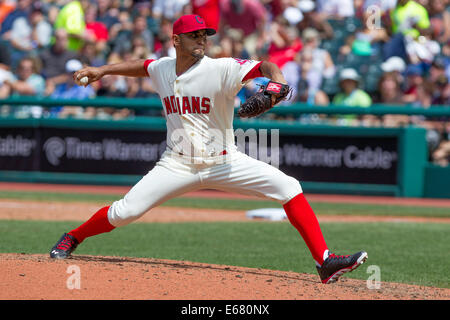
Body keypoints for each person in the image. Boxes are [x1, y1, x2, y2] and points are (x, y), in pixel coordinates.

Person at [49, 14, 368, 284]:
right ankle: (73, 237)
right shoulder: (162, 68)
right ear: (176, 40)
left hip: (224, 161)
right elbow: (142, 66)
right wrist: (102, 70)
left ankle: (324, 262)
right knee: (125, 212)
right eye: (193, 35)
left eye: (204, 34)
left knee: (289, 187)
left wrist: (276, 86)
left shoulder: (221, 68)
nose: (201, 40)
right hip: (177, 164)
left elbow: (267, 66)